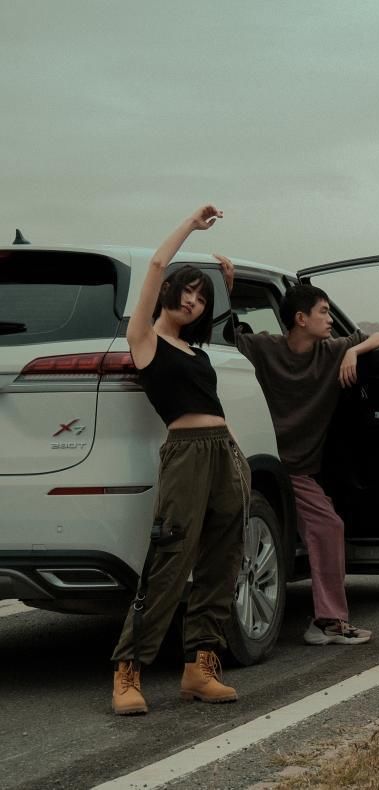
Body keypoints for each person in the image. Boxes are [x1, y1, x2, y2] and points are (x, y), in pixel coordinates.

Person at [111, 205, 249, 716]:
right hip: (186, 457)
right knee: (170, 561)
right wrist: (191, 226)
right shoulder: (145, 341)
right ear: (169, 293)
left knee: (222, 561)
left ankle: (200, 666)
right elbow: (152, 266)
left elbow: (215, 406)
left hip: (225, 456)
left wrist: (238, 460)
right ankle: (129, 670)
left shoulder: (199, 352)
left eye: (201, 298)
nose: (192, 302)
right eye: (186, 292)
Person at [217, 256, 379, 646]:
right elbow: (223, 339)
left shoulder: (333, 351)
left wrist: (354, 351)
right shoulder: (262, 348)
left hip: (297, 470)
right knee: (317, 526)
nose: (330, 319)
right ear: (301, 318)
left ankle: (327, 622)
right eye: (324, 312)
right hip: (260, 464)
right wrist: (224, 290)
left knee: (328, 525)